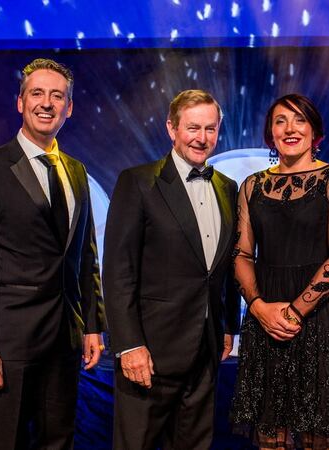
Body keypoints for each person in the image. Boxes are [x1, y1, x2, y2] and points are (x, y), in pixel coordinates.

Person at [0, 58, 105, 449]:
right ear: (20, 102)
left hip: (65, 341)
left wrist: (91, 324)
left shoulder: (76, 171)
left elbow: (85, 259)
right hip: (9, 345)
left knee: (59, 440)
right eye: (37, 93)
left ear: (69, 107)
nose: (47, 103)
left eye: (57, 96)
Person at [103, 89, 241, 449]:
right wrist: (129, 344)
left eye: (210, 129)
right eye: (193, 128)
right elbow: (118, 271)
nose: (202, 138)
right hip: (149, 352)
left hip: (205, 351)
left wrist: (225, 326)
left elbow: (219, 269)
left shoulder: (228, 187)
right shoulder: (138, 182)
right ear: (172, 128)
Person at [229, 94, 329, 449]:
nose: (290, 128)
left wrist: (295, 311)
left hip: (317, 317)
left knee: (319, 438)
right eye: (280, 120)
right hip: (265, 316)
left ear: (315, 131)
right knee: (271, 436)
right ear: (270, 132)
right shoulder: (252, 185)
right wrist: (258, 307)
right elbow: (240, 253)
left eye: (299, 120)